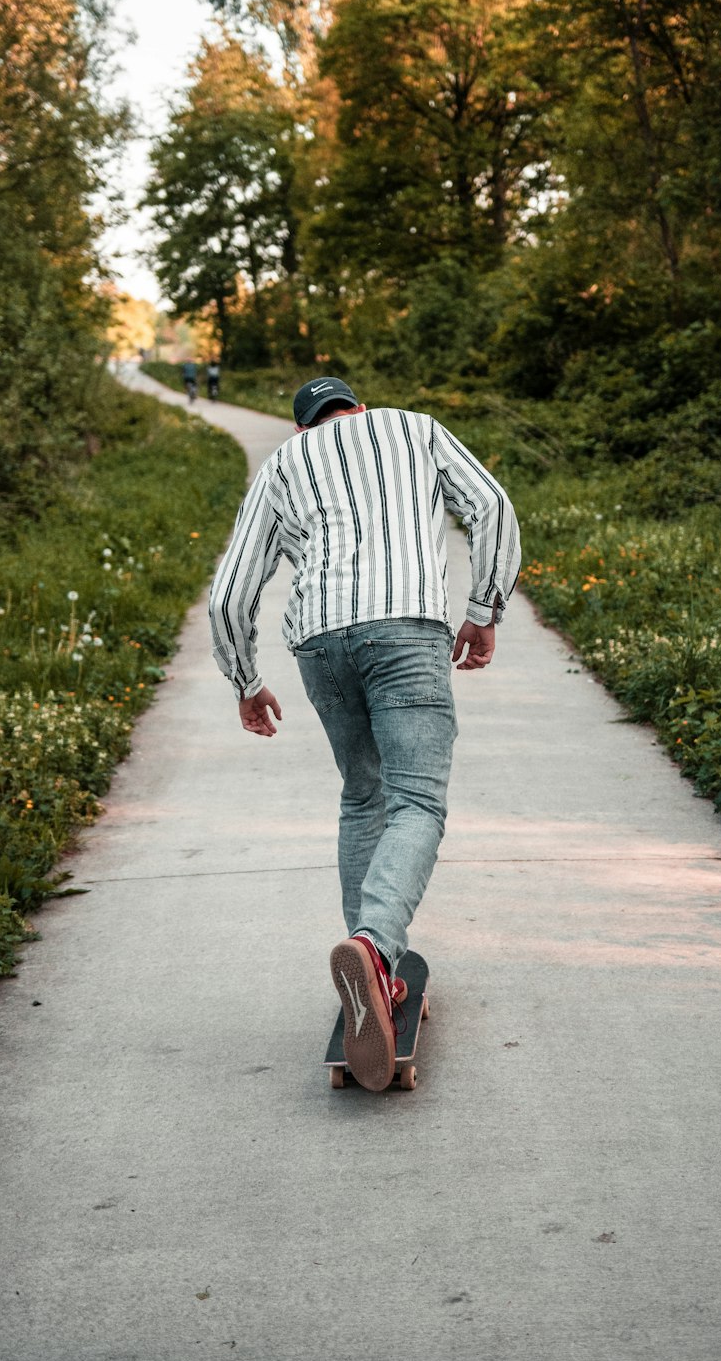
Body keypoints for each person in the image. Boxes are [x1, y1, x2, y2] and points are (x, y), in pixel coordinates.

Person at [208, 376, 521, 1091]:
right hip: (406, 628)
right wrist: (484, 607)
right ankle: (377, 952)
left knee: (362, 797)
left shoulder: (285, 464)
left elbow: (232, 589)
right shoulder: (414, 428)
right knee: (416, 802)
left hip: (320, 642)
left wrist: (245, 681)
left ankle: (369, 977)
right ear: (362, 409)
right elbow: (492, 508)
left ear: (302, 429)